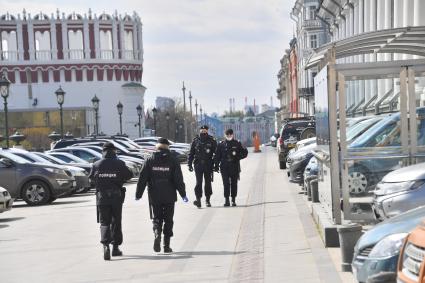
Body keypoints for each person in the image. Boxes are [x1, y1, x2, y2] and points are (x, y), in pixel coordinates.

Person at [136, 138, 188, 253]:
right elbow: (178, 179)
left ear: (157, 146)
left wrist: (138, 194)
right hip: (169, 194)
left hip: (154, 194)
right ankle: (166, 245)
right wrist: (183, 194)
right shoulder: (173, 160)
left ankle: (156, 233)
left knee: (157, 218)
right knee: (168, 219)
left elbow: (142, 178)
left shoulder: (149, 160)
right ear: (167, 146)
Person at [89, 142, 133, 260]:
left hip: (102, 197)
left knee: (104, 222)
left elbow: (91, 179)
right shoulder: (119, 163)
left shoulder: (96, 164)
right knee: (116, 222)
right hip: (116, 197)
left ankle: (105, 246)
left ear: (103, 151)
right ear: (114, 151)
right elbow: (129, 175)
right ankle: (115, 248)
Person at [214, 129, 248, 207]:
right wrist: (216, 166)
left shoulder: (237, 143)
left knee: (234, 184)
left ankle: (233, 200)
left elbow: (244, 154)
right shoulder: (221, 144)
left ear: (233, 135)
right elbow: (217, 156)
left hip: (234, 166)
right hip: (224, 167)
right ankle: (226, 200)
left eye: (230, 135)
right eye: (227, 135)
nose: (229, 136)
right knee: (226, 184)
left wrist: (238, 157)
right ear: (225, 135)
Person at [188, 125, 217, 208]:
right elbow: (191, 153)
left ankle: (208, 200)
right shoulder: (195, 141)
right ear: (199, 131)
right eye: (202, 130)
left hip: (208, 164)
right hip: (198, 165)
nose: (203, 132)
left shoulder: (212, 140)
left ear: (207, 131)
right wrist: (189, 164)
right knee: (198, 183)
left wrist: (215, 164)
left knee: (208, 183)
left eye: (205, 130)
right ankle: (198, 200)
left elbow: (216, 153)